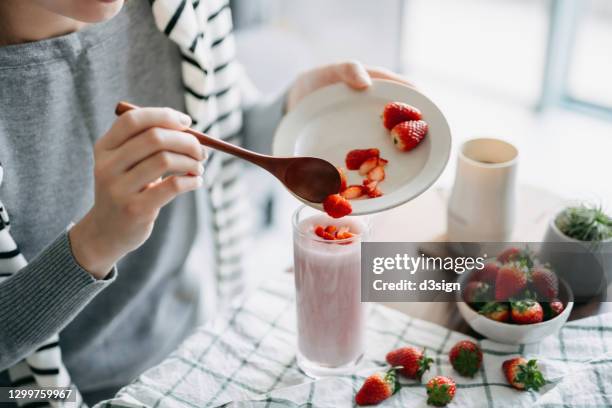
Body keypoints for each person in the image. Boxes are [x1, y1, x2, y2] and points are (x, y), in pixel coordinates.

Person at [0, 0, 410, 404]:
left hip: (194, 342)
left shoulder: (179, 9)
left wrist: (289, 113)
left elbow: (216, 126)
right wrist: (95, 243)